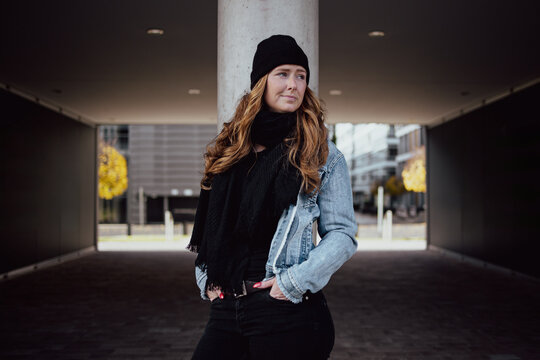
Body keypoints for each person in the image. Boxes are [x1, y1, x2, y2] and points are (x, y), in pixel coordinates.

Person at [188, 34, 357, 360]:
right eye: (283, 73)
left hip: (285, 312)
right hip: (227, 308)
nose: (293, 84)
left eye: (301, 76)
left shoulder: (322, 155)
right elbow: (210, 230)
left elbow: (342, 235)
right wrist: (205, 278)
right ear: (261, 82)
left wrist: (292, 282)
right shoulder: (230, 151)